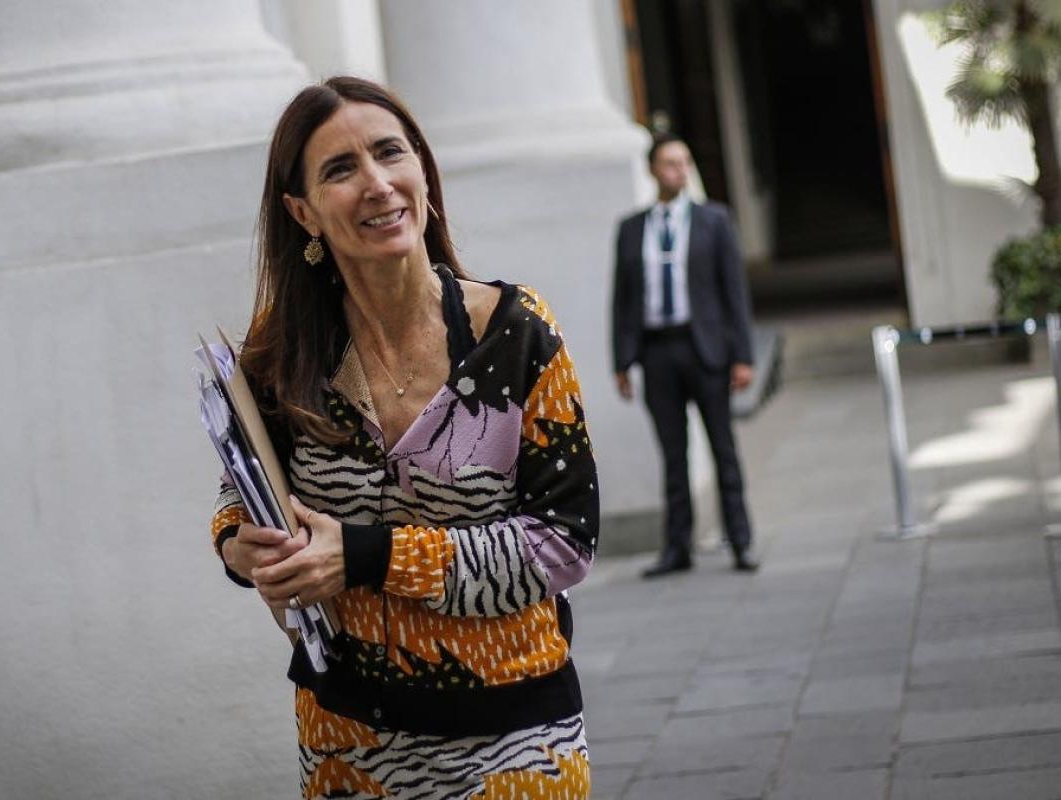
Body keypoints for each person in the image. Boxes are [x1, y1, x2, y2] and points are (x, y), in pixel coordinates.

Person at [208, 76, 599, 799]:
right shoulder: (280, 352)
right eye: (340, 169)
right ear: (302, 212)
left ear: (421, 168)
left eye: (390, 153)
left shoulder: (516, 333)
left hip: (516, 735)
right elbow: (240, 490)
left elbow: (562, 546)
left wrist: (364, 555)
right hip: (346, 743)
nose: (377, 183)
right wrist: (239, 545)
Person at [610, 133, 759, 578]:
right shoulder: (631, 228)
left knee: (723, 449)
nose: (680, 170)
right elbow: (622, 299)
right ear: (652, 170)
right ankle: (678, 548)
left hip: (705, 351)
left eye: (685, 162)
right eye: (670, 163)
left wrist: (743, 356)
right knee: (673, 456)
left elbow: (735, 292)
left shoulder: (714, 220)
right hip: (657, 353)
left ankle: (741, 541)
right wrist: (621, 361)